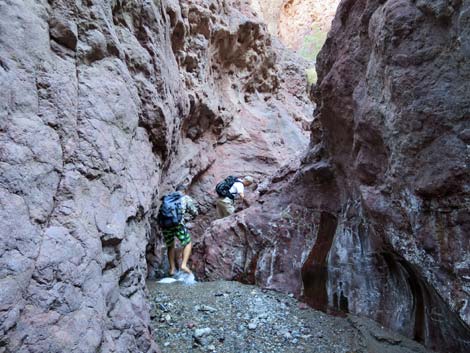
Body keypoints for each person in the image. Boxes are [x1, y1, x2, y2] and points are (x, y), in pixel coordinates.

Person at [158, 184, 198, 275]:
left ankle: (172, 269)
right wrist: (191, 216)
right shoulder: (185, 198)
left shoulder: (168, 198)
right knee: (187, 242)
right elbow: (194, 212)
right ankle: (184, 265)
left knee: (170, 245)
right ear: (184, 191)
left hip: (165, 225)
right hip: (178, 224)